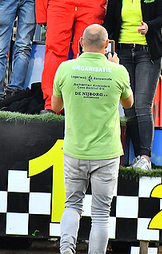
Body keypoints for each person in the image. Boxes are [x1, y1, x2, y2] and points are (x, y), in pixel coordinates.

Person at [52, 24, 133, 254]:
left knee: (72, 206)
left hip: (75, 150)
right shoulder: (118, 72)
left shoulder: (65, 68)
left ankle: (66, 250)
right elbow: (129, 103)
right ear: (107, 46)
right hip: (106, 154)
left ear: (80, 42)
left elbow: (56, 107)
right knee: (100, 214)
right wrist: (114, 67)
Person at [103, 0, 162, 171]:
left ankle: (145, 157)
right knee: (128, 106)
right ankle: (136, 154)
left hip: (147, 52)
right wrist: (99, 38)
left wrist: (150, 25)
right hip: (123, 53)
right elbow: (109, 22)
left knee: (142, 105)